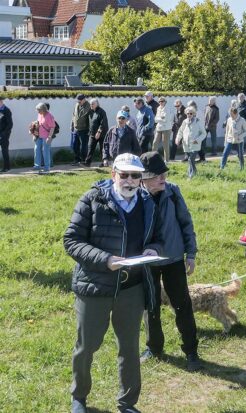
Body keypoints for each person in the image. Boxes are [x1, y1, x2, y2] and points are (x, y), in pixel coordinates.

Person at [63, 153, 162, 413]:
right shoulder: (92, 199)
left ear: (141, 178)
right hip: (95, 286)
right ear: (113, 174)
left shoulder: (148, 203)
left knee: (129, 348)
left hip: (132, 288)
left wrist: (152, 248)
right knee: (87, 346)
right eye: (124, 174)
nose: (129, 180)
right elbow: (71, 240)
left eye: (135, 175)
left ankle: (127, 403)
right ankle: (79, 398)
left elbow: (158, 236)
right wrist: (105, 260)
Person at [138, 151, 202, 373]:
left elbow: (186, 222)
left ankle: (192, 351)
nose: (163, 179)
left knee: (182, 305)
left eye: (164, 174)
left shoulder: (173, 192)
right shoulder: (135, 196)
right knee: (150, 306)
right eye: (157, 175)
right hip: (147, 263)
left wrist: (191, 254)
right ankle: (154, 348)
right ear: (144, 178)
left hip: (174, 259)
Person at [176, 106, 205, 178]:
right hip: (186, 144)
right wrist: (177, 139)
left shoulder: (198, 121)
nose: (189, 115)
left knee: (191, 159)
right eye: (188, 113)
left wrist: (197, 140)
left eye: (191, 113)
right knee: (190, 160)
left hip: (195, 144)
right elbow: (180, 131)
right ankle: (192, 172)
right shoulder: (185, 122)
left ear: (194, 114)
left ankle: (191, 175)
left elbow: (204, 133)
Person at [84, 99, 109, 167]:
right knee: (90, 148)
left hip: (102, 134)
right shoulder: (91, 111)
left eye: (92, 104)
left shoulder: (102, 112)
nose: (91, 105)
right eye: (90, 104)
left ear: (97, 104)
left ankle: (104, 162)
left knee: (102, 149)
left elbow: (103, 123)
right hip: (92, 133)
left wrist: (98, 132)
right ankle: (87, 162)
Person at [32, 102, 56, 174]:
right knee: (37, 149)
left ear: (43, 109)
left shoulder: (49, 116)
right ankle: (37, 166)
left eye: (39, 110)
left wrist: (49, 137)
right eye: (37, 110)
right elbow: (37, 124)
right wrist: (34, 133)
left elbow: (52, 127)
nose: (38, 112)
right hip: (39, 135)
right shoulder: (40, 114)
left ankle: (47, 168)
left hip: (46, 136)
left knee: (45, 151)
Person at [71, 94, 90, 166]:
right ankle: (77, 159)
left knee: (83, 146)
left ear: (84, 99)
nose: (79, 102)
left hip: (84, 129)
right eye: (78, 101)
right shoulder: (76, 105)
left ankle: (84, 160)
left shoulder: (89, 106)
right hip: (76, 129)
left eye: (80, 101)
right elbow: (73, 115)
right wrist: (72, 124)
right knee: (75, 145)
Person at [152, 97, 173, 162]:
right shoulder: (158, 108)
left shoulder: (167, 109)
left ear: (165, 102)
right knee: (155, 143)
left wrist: (159, 119)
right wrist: (160, 118)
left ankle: (166, 160)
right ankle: (153, 158)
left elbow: (165, 119)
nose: (161, 102)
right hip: (159, 128)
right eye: (159, 101)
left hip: (166, 128)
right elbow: (155, 119)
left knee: (165, 144)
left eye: (162, 101)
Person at [0, 97, 12, 173]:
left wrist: (4, 134)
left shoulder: (6, 110)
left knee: (4, 151)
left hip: (4, 134)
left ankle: (6, 167)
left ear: (1, 101)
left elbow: (10, 124)